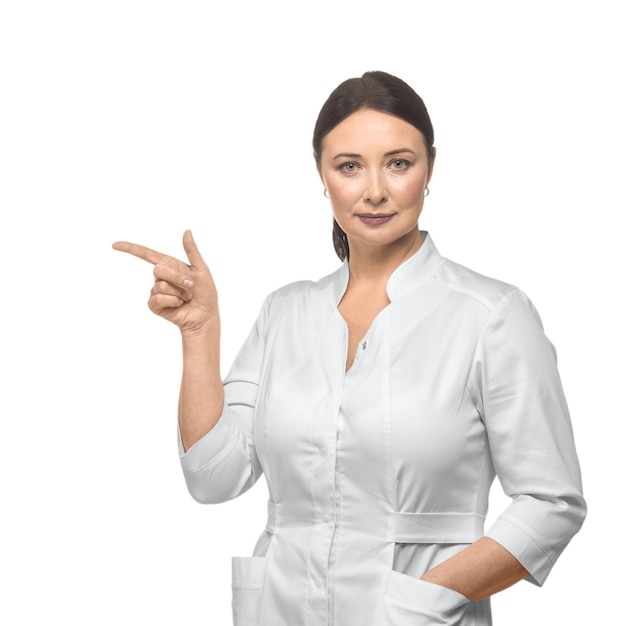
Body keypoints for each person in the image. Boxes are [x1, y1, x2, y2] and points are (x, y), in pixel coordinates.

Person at [113, 71, 586, 626]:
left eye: (399, 163)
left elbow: (552, 503)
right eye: (349, 166)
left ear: (430, 167)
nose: (375, 190)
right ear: (322, 175)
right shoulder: (285, 312)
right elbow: (212, 478)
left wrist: (421, 598)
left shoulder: (491, 316)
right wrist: (200, 333)